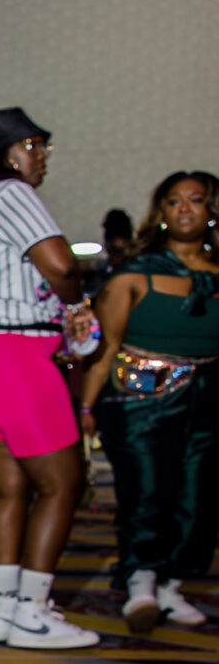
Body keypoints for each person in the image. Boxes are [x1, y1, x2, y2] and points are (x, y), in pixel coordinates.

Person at [0, 107, 97, 648]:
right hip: (12, 354)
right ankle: (34, 613)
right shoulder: (12, 192)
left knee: (12, 490)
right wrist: (76, 304)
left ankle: (6, 609)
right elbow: (62, 265)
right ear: (7, 153)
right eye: (34, 147)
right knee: (64, 483)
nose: (42, 157)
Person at [81, 170, 219, 633]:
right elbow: (103, 351)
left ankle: (171, 586)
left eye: (196, 199)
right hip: (139, 400)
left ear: (212, 211)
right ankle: (140, 581)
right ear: (161, 213)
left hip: (209, 399)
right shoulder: (134, 275)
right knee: (146, 492)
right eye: (174, 201)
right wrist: (86, 410)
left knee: (198, 497)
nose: (184, 208)